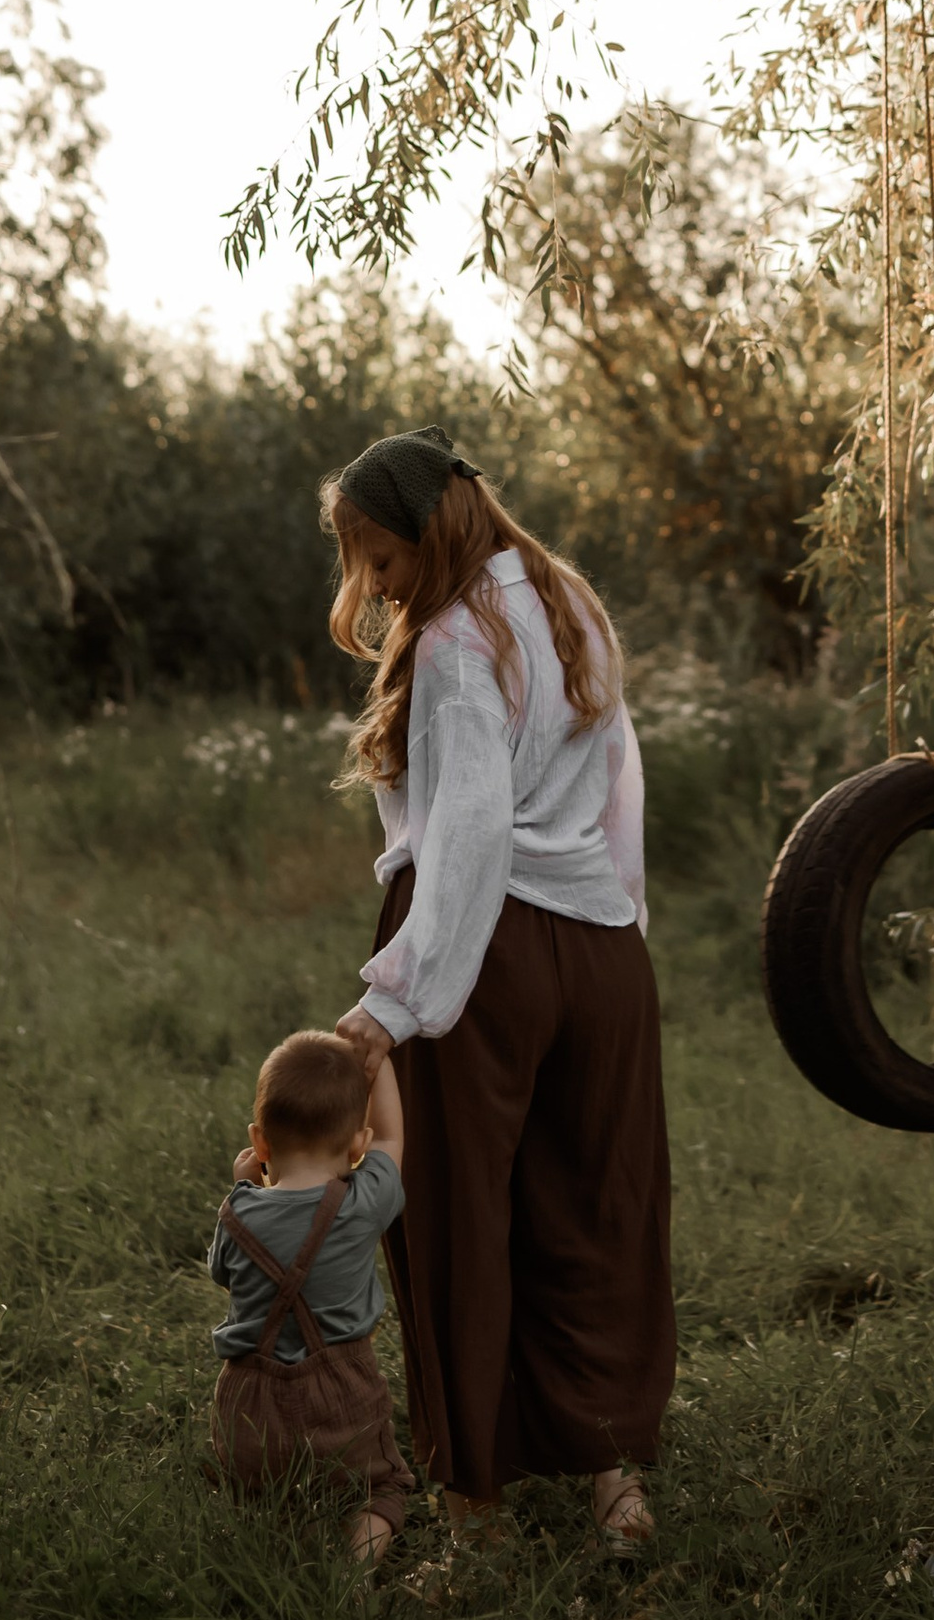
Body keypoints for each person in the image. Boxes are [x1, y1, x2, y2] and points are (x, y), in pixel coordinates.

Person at [325, 427, 672, 1551]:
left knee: (459, 1226)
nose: (374, 586)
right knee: (590, 1212)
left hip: (488, 954)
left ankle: (473, 1509)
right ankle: (610, 1480)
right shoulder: (567, 597)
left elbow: (467, 830)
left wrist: (395, 1001)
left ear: (428, 531)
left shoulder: (460, 641)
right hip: (601, 953)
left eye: (379, 558)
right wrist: (624, 925)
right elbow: (620, 774)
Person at [207, 1025, 414, 1561]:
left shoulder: (237, 1213)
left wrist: (246, 1183)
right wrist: (380, 1055)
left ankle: (263, 1559)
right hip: (343, 1390)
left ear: (259, 1143)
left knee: (252, 1491)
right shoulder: (363, 1202)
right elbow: (392, 1138)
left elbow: (224, 1276)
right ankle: (354, 1568)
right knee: (381, 1489)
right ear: (357, 1147)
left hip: (248, 1407)